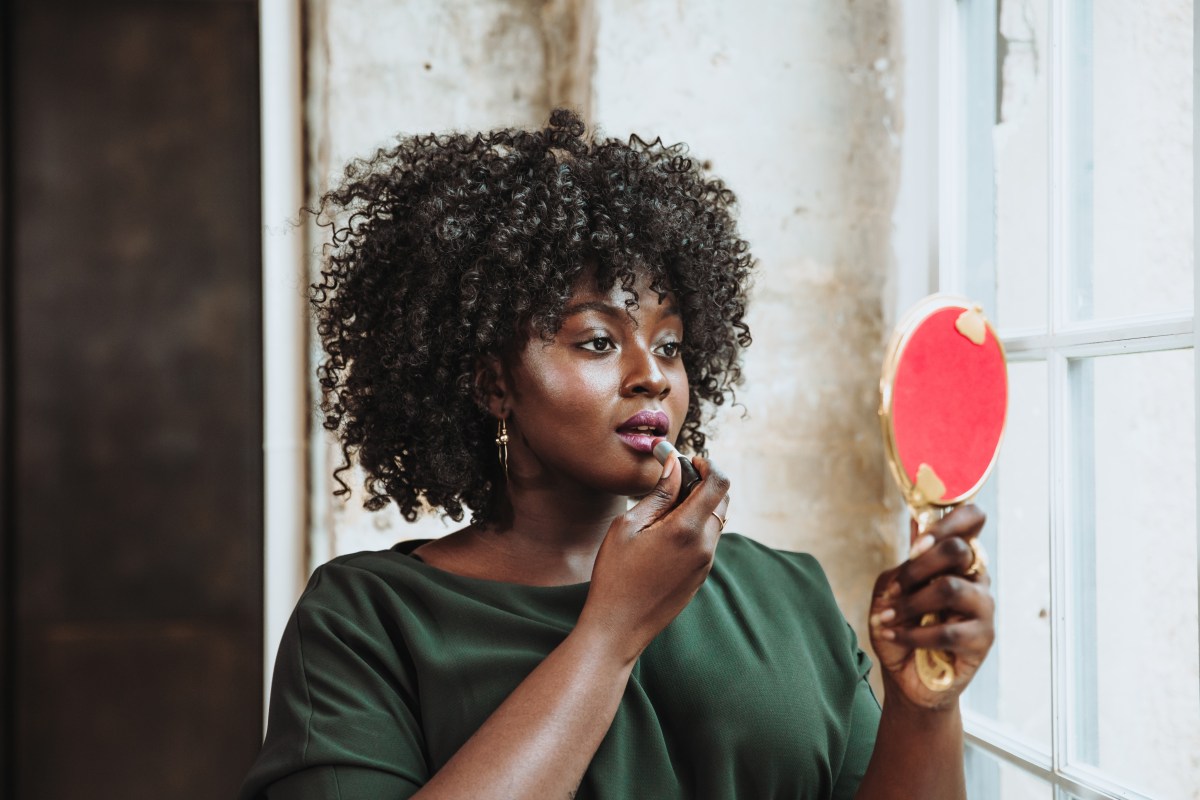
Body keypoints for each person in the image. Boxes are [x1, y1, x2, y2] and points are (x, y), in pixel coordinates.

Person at [239, 109, 994, 799]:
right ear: (493, 384)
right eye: (597, 341)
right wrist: (609, 635)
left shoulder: (785, 594)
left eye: (669, 344)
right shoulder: (366, 622)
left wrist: (924, 707)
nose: (652, 376)